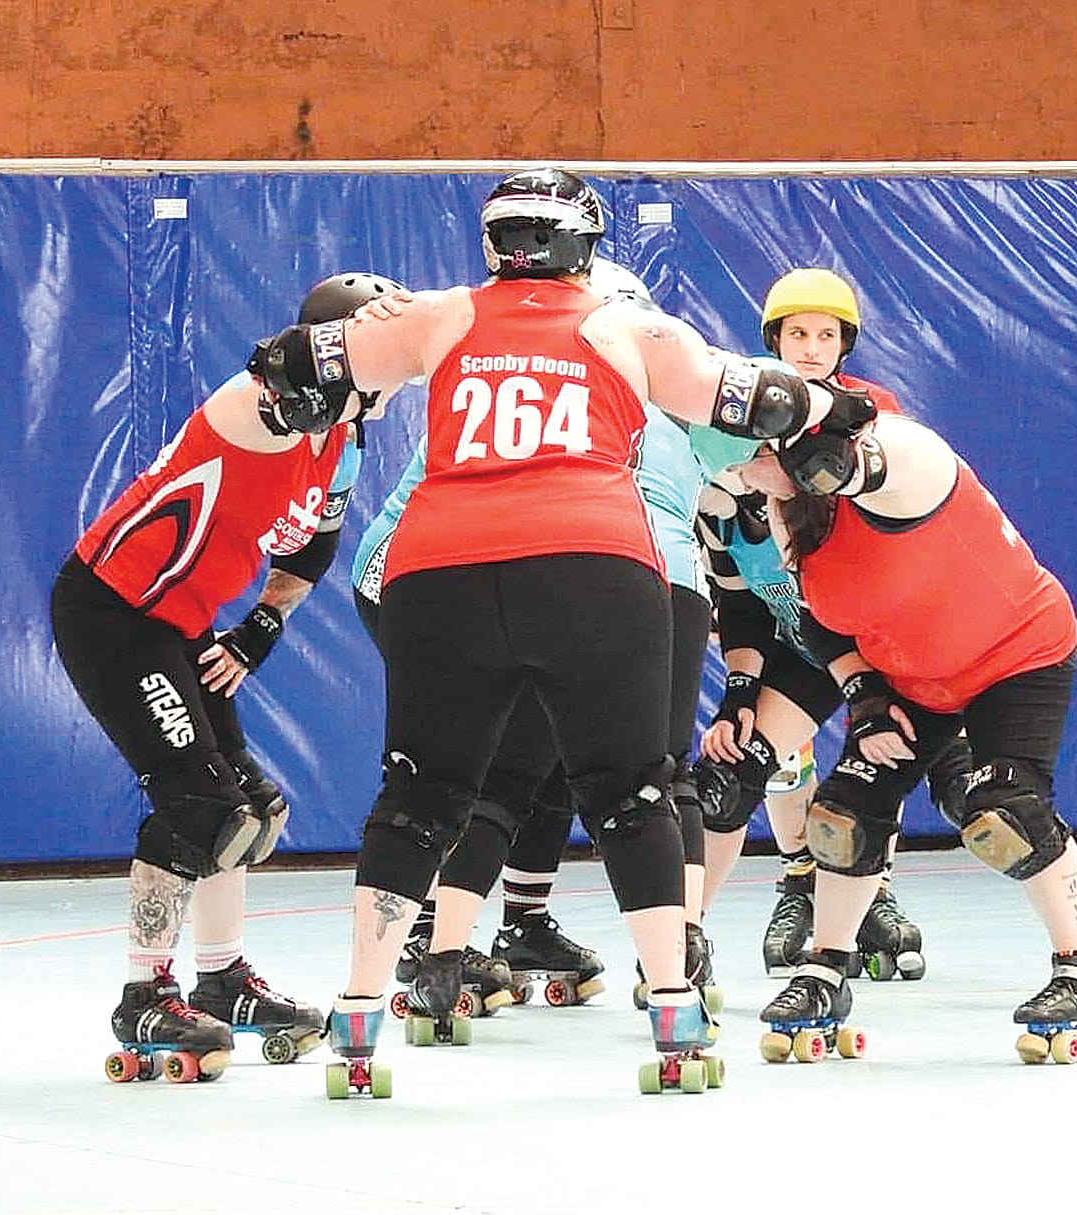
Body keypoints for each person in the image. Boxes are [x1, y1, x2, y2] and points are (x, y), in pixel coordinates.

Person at [246, 167, 825, 1095]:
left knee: (420, 794)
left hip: (437, 570)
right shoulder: (629, 326)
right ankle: (673, 1009)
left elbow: (294, 361)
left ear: (494, 243)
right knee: (633, 788)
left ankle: (358, 1016)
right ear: (583, 245)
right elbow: (762, 400)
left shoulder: (442, 314)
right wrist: (837, 411)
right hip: (590, 565)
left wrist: (332, 347)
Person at [50, 271, 402, 1082]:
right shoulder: (266, 406)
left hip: (182, 622)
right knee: (200, 809)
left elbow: (311, 550)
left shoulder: (343, 441)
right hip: (113, 612)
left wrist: (261, 628)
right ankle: (144, 994)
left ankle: (222, 978)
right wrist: (349, 352)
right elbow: (274, 374)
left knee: (251, 809)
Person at [348, 257, 715, 1017]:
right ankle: (671, 974)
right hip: (607, 577)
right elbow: (763, 452)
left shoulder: (476, 356)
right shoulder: (658, 393)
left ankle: (450, 949)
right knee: (622, 781)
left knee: (472, 779)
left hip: (429, 576)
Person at [725, 377, 1077, 1065]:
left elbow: (873, 454)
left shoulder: (911, 468)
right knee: (842, 815)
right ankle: (826, 969)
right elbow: (821, 621)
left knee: (1004, 813)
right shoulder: (791, 513)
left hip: (1015, 652)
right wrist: (866, 699)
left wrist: (804, 452)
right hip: (916, 678)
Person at [688, 268, 945, 982]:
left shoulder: (868, 415)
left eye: (824, 335)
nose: (809, 347)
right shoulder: (728, 454)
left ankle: (873, 891)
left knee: (905, 762)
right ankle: (714, 924)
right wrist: (739, 692)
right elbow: (737, 597)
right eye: (796, 333)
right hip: (795, 635)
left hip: (872, 628)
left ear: (843, 345)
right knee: (735, 771)